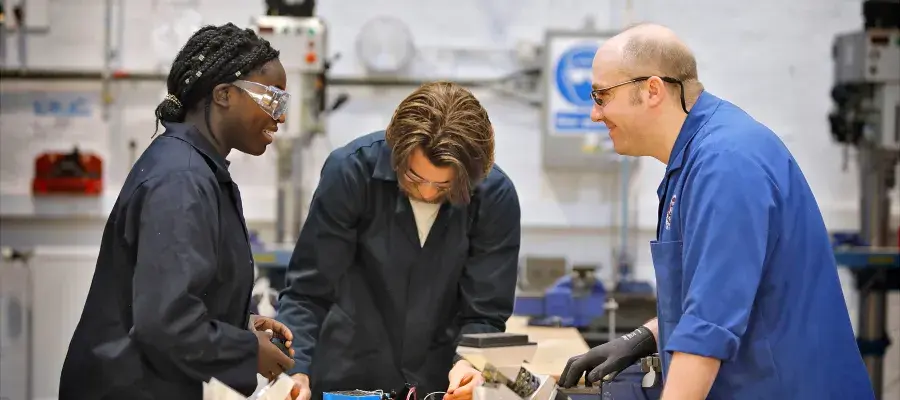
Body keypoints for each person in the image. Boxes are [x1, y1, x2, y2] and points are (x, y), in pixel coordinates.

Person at [558, 23, 874, 399]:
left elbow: (708, 329)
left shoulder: (726, 164)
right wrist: (645, 337)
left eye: (601, 96)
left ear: (653, 90)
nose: (595, 114)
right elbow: (720, 291)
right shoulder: (694, 161)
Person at [59, 23, 298, 399]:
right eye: (272, 100)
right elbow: (165, 322)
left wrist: (239, 324)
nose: (279, 117)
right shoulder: (182, 179)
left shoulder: (194, 168)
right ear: (223, 95)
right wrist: (247, 352)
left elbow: (173, 299)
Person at [276, 81, 522, 400]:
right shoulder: (350, 172)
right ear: (397, 151)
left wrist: (470, 364)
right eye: (414, 177)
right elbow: (307, 293)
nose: (429, 192)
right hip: (346, 380)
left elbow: (485, 314)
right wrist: (296, 369)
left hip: (440, 384)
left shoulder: (494, 196)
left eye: (444, 184)